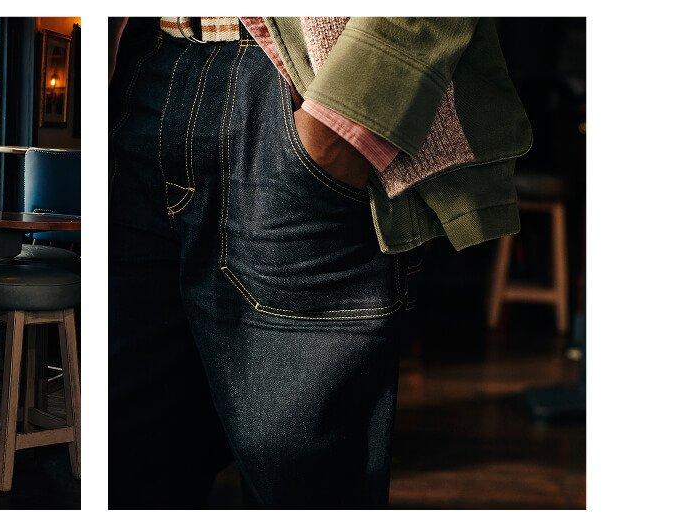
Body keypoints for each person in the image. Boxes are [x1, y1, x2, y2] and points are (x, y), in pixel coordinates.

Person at [107, 17, 530, 507]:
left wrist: (340, 129)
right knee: (129, 465)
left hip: (289, 89)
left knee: (303, 484)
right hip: (141, 80)